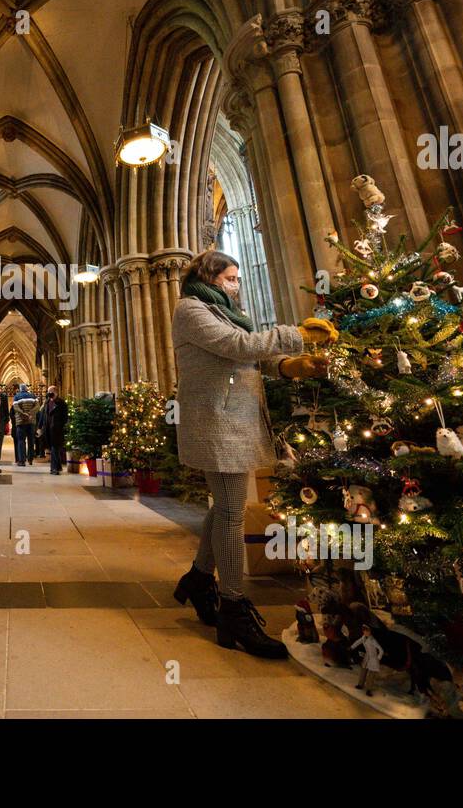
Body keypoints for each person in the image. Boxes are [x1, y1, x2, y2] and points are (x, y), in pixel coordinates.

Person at [171, 248, 336, 658]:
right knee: (230, 511)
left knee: (223, 506)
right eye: (230, 278)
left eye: (238, 278)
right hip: (218, 422)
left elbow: (251, 359)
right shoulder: (190, 309)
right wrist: (298, 334)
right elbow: (236, 346)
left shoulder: (225, 309)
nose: (237, 284)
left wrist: (289, 366)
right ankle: (233, 607)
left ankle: (197, 579)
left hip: (235, 418)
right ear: (209, 278)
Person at [39, 385, 69, 475]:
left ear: (55, 392)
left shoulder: (61, 403)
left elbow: (65, 417)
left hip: (57, 429)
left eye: (50, 392)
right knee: (53, 448)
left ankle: (54, 468)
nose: (49, 394)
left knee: (54, 448)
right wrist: (39, 427)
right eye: (48, 392)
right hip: (48, 429)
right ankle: (58, 466)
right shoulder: (47, 402)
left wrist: (60, 425)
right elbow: (43, 415)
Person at [11, 383, 38, 465]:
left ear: (20, 389)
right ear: (26, 389)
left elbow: (16, 407)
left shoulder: (16, 397)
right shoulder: (33, 396)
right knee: (31, 441)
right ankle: (30, 459)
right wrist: (30, 413)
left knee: (21, 441)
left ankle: (22, 461)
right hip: (31, 421)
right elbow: (37, 406)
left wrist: (23, 413)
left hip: (20, 422)